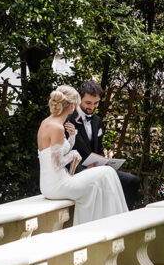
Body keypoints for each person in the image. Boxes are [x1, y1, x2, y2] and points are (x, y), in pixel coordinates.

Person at [38, 84, 127, 225]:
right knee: (107, 173)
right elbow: (57, 163)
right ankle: (113, 223)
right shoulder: (57, 128)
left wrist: (72, 136)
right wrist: (73, 154)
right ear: (73, 106)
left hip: (51, 183)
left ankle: (107, 221)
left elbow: (59, 151)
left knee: (106, 174)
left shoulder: (47, 122)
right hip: (58, 185)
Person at [65, 79, 141, 210]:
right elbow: (63, 153)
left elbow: (99, 149)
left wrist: (104, 162)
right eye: (88, 103)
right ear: (79, 99)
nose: (92, 107)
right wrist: (82, 170)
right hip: (78, 171)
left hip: (97, 168)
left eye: (96, 103)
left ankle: (124, 218)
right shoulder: (68, 118)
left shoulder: (97, 120)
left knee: (132, 181)